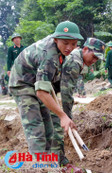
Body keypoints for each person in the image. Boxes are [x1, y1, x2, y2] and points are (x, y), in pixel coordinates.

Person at [8, 21, 84, 172]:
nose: (69, 47)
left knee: (50, 126)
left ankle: (53, 165)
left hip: (38, 84)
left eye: (74, 44)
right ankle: (38, 168)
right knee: (36, 127)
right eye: (65, 43)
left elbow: (54, 86)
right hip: (22, 83)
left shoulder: (61, 53)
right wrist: (62, 115)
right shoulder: (48, 55)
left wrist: (64, 116)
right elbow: (41, 93)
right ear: (56, 40)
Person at [61, 37, 105, 116]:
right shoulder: (75, 62)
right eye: (94, 57)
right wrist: (67, 117)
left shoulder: (79, 57)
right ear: (85, 49)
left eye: (97, 59)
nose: (94, 61)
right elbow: (66, 94)